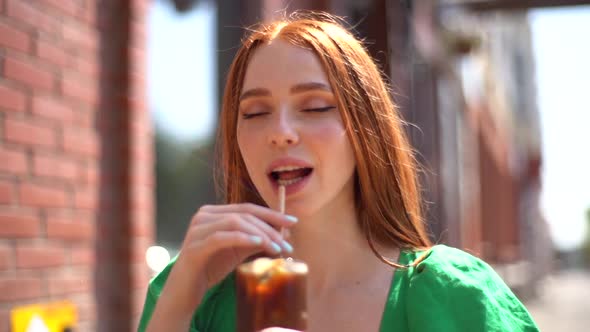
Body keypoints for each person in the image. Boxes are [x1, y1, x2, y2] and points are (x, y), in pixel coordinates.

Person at [138, 12, 539, 332]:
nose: (280, 133)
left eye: (314, 107)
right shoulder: (195, 291)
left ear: (366, 127)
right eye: (255, 112)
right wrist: (180, 299)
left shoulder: (454, 296)